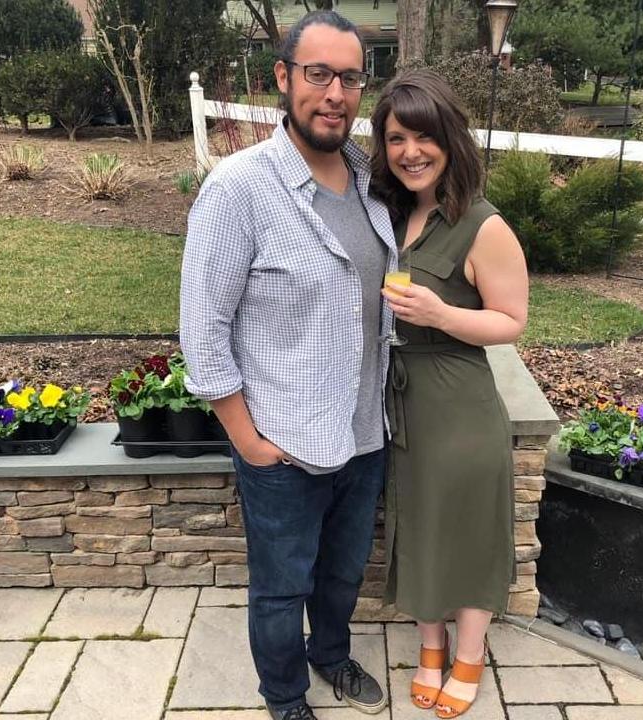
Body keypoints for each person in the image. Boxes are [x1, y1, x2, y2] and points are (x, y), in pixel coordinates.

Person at [180, 11, 397, 720]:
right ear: (283, 77)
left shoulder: (369, 182)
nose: (335, 93)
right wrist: (248, 441)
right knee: (281, 590)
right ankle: (284, 697)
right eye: (318, 73)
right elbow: (203, 330)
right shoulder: (239, 189)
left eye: (350, 77)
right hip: (283, 443)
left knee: (342, 575)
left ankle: (330, 654)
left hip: (364, 434)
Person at [370, 70, 529, 719]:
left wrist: (442, 314)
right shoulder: (389, 214)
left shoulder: (482, 225)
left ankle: (468, 655)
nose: (410, 151)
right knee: (418, 525)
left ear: (450, 140)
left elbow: (511, 320)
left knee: (464, 529)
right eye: (396, 138)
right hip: (402, 401)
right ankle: (429, 646)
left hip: (458, 401)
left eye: (424, 137)